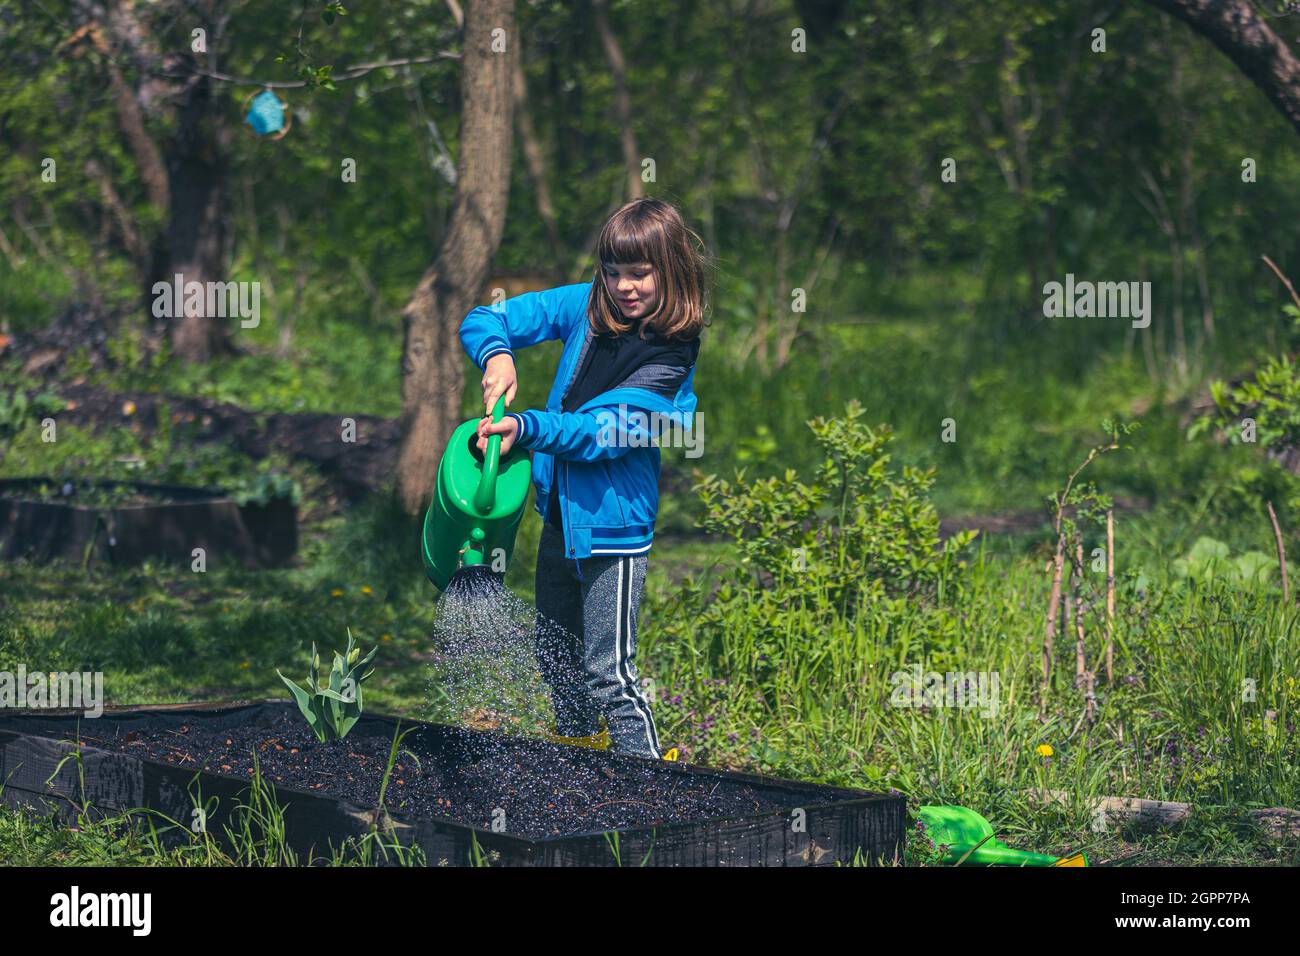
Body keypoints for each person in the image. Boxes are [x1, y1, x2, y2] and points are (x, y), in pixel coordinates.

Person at [458, 197, 707, 759]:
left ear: (671, 270)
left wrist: (522, 426)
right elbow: (487, 317)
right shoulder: (587, 307)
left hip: (613, 532)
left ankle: (651, 792)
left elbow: (597, 435)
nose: (624, 286)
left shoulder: (670, 359)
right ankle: (584, 774)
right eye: (613, 271)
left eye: (640, 273)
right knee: (556, 662)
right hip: (561, 520)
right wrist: (497, 355)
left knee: (608, 675)